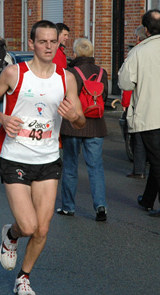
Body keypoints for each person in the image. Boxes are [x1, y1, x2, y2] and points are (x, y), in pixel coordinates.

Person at [0, 20, 85, 295]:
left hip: (49, 159)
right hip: (15, 156)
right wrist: (3, 118)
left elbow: (80, 121)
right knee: (27, 226)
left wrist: (73, 116)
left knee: (42, 228)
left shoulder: (67, 78)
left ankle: (23, 277)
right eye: (43, 41)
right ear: (32, 44)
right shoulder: (15, 73)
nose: (49, 46)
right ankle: (12, 235)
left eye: (54, 41)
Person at [118, 9, 160, 218]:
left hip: (150, 113)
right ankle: (148, 199)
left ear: (146, 29)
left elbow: (124, 82)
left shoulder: (139, 52)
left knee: (158, 160)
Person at [56, 38, 109, 222]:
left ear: (76, 53)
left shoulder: (70, 72)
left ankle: (68, 206)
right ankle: (101, 206)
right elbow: (105, 97)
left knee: (70, 166)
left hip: (73, 125)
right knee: (96, 167)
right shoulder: (102, 72)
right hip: (96, 125)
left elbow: (63, 97)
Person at [121, 25, 148, 179]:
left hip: (137, 102)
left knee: (137, 136)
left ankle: (139, 169)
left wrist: (125, 103)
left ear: (138, 38)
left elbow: (128, 82)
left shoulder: (135, 53)